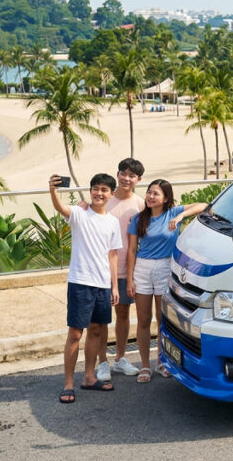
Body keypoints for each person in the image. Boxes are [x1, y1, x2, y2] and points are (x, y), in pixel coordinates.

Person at [50, 173, 122, 403]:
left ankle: (89, 377)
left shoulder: (112, 222)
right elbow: (60, 208)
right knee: (75, 334)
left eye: (104, 190)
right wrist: (53, 190)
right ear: (90, 191)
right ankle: (68, 383)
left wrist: (114, 286)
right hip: (80, 282)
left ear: (111, 194)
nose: (99, 193)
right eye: (95, 189)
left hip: (102, 284)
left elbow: (113, 255)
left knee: (97, 331)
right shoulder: (80, 213)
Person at [127, 179, 207, 382]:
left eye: (156, 194)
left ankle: (162, 361)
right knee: (143, 320)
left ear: (165, 198)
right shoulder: (138, 219)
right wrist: (129, 279)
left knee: (163, 318)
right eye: (149, 192)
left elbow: (204, 205)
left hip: (165, 267)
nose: (150, 196)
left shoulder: (173, 213)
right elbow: (132, 250)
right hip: (142, 268)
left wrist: (181, 215)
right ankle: (145, 365)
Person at [96, 158, 145, 381]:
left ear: (138, 179)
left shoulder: (140, 204)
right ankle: (102, 362)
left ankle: (120, 358)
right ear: (117, 175)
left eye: (131, 175)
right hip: (101, 270)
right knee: (101, 318)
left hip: (127, 269)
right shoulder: (105, 199)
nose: (126, 178)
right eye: (123, 173)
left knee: (123, 314)